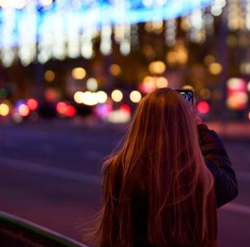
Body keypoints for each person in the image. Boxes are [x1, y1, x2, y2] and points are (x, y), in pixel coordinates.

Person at [92, 88, 238, 247]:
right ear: (186, 126)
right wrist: (202, 129)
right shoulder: (200, 175)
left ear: (141, 121)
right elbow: (229, 186)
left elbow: (112, 233)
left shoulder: (118, 170)